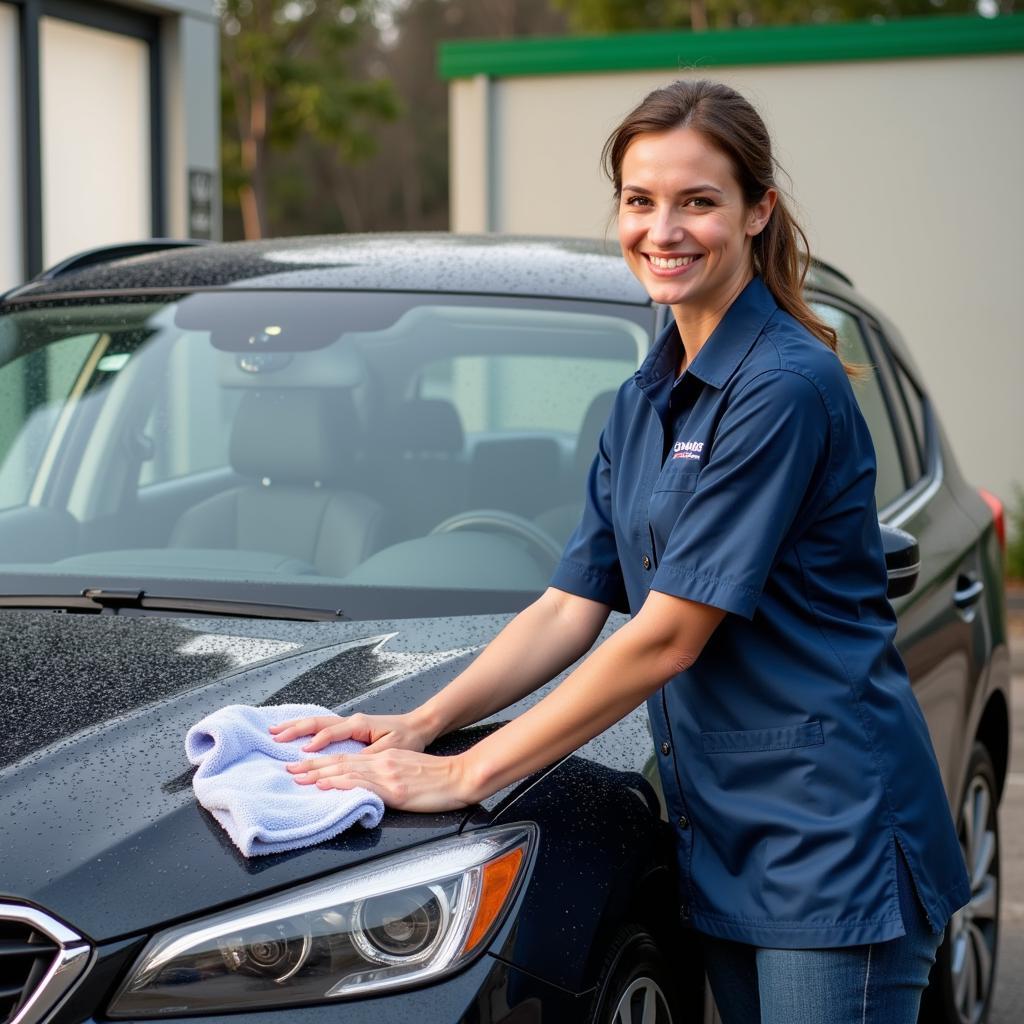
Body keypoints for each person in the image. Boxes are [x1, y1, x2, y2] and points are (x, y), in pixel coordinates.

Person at [268, 80, 970, 1023]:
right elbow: (571, 605)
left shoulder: (785, 387)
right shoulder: (647, 396)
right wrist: (418, 724)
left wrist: (471, 774)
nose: (664, 229)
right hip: (725, 832)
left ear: (758, 211)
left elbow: (670, 635)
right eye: (641, 201)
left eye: (698, 201)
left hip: (829, 836)